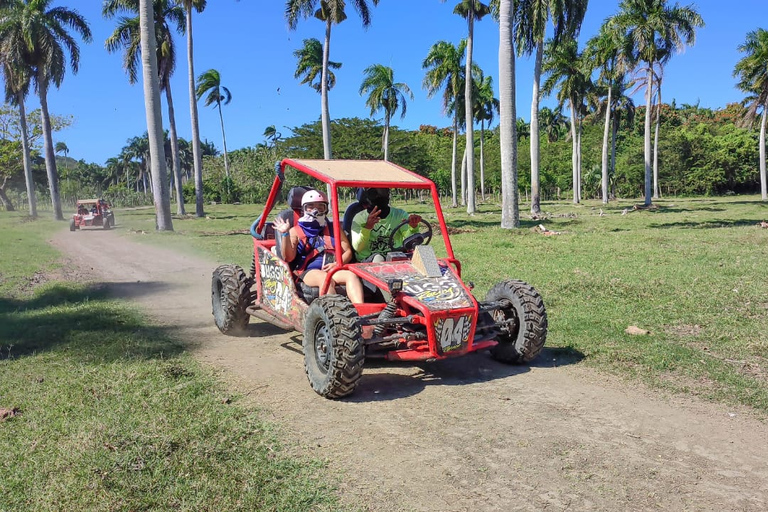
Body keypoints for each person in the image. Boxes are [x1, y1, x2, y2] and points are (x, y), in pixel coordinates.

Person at [274, 190, 364, 304]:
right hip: (309, 271)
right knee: (325, 279)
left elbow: (347, 252)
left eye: (320, 207)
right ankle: (334, 312)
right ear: (304, 209)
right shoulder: (295, 231)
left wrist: (337, 264)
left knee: (351, 276)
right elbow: (288, 258)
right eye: (310, 206)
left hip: (333, 268)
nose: (316, 210)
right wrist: (285, 234)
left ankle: (361, 311)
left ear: (326, 209)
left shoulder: (334, 228)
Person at [350, 188, 422, 262]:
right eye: (375, 193)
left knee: (424, 254)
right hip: (368, 259)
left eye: (383, 192)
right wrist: (367, 227)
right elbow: (357, 247)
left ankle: (432, 272)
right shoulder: (360, 218)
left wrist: (413, 227)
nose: (379, 197)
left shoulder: (400, 215)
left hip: (395, 257)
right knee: (378, 258)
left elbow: (410, 242)